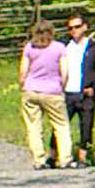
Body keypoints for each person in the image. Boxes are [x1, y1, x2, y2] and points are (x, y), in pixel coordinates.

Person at [17, 19, 73, 169]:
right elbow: (65, 72)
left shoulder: (30, 47)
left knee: (33, 126)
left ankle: (38, 160)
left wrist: (23, 85)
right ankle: (65, 158)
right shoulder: (59, 48)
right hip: (52, 91)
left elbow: (23, 70)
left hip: (31, 90)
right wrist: (62, 86)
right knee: (61, 125)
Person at [58, 13, 95, 166]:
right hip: (67, 92)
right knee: (60, 124)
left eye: (77, 27)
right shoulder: (64, 46)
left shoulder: (93, 48)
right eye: (70, 28)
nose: (74, 30)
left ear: (85, 27)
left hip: (85, 92)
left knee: (86, 126)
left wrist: (94, 87)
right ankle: (55, 155)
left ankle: (83, 157)